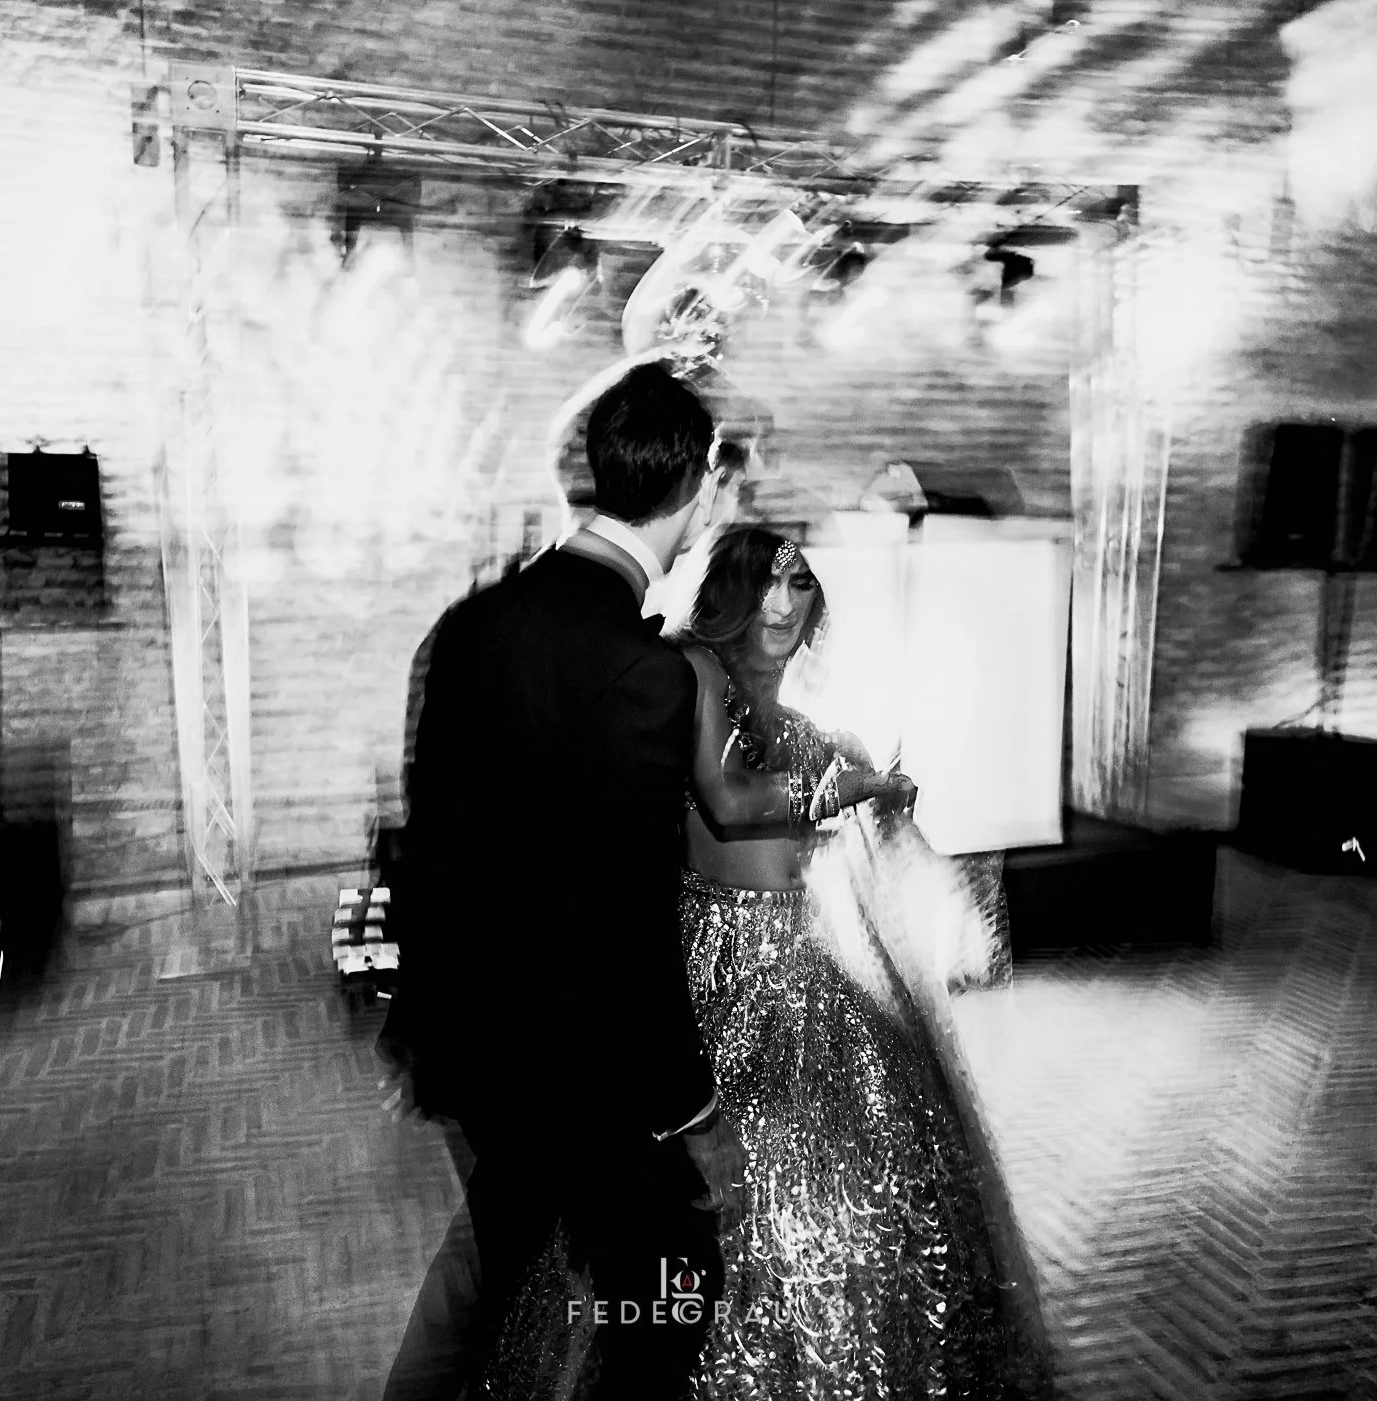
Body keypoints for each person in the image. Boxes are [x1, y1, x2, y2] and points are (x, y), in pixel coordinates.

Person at [381, 362, 773, 1401]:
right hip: (578, 1063)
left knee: (497, 1255)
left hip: (474, 1036)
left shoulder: (471, 626)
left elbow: (435, 845)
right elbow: (630, 916)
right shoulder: (639, 670)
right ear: (695, 492)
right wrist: (691, 1110)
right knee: (677, 1287)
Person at [669, 526, 1047, 1400]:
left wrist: (884, 795)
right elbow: (728, 802)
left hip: (810, 962)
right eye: (763, 584)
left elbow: (861, 832)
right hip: (723, 962)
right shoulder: (693, 671)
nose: (781, 604)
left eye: (798, 584)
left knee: (881, 1171)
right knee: (737, 1177)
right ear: (726, 597)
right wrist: (855, 785)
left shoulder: (808, 729)